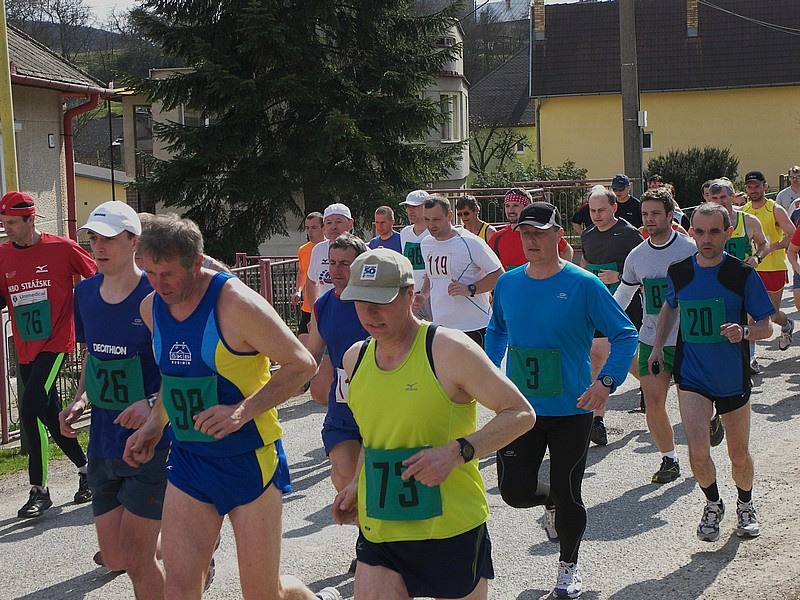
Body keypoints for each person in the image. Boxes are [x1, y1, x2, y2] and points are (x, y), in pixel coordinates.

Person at [123, 215, 339, 600]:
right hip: (190, 460)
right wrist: (155, 424)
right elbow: (176, 374)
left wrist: (242, 410)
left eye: (168, 274)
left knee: (263, 594)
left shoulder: (236, 303)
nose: (158, 284)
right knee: (178, 588)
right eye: (150, 272)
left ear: (196, 263)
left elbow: (302, 364)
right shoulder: (150, 307)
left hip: (249, 459)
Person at [332, 248, 535, 600]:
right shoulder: (355, 358)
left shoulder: (448, 349)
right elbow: (374, 435)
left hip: (449, 529)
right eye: (361, 301)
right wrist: (357, 483)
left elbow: (520, 412)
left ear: (410, 295)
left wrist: (457, 453)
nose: (370, 313)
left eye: (381, 301)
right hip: (381, 530)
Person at [486, 202, 637, 599]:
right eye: (525, 233)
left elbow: (625, 334)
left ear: (558, 235)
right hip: (521, 410)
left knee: (570, 493)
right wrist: (491, 371)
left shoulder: (584, 284)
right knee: (514, 493)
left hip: (573, 408)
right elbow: (497, 331)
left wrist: (606, 382)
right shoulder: (508, 283)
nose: (531, 240)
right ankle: (550, 499)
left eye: (539, 232)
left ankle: (568, 568)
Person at [649, 203, 775, 543]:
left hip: (731, 376)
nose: (706, 239)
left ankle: (745, 504)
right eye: (700, 232)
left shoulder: (742, 274)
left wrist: (744, 332)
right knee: (698, 451)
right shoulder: (679, 272)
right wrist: (658, 346)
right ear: (692, 232)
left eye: (714, 232)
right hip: (692, 376)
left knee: (738, 455)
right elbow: (669, 307)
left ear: (728, 232)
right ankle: (713, 503)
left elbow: (766, 327)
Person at [59, 202, 167, 594]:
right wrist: (81, 398)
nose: (98, 247)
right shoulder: (85, 292)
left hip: (149, 440)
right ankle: (183, 541)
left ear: (134, 241)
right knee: (117, 557)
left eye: (108, 238)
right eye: (93, 239)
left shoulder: (155, 294)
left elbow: (179, 364)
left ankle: (186, 546)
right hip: (103, 440)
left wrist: (152, 403)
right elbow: (95, 354)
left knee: (137, 559)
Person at [614, 188, 722, 485]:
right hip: (652, 340)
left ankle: (711, 420)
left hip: (690, 340)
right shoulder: (637, 256)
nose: (648, 219)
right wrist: (605, 319)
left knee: (693, 404)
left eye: (655, 213)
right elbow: (625, 292)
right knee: (653, 400)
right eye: (645, 214)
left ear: (670, 215)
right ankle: (669, 458)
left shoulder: (689, 249)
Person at [0, 191, 96, 518]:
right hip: (25, 346)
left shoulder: (62, 248)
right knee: (51, 416)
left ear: (31, 219)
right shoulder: (3, 255)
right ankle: (86, 471)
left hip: (56, 343)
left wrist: (93, 319)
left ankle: (39, 491)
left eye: (12, 223)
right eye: (3, 223)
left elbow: (98, 279)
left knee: (29, 410)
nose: (7, 229)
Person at [305, 233, 368, 493]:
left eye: (344, 263)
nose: (336, 269)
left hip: (379, 400)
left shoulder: (376, 303)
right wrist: (296, 379)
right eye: (332, 262)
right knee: (343, 476)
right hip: (342, 405)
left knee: (371, 481)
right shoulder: (323, 305)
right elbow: (313, 353)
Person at [580, 186, 643, 445]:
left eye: (602, 210)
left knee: (622, 354)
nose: (596, 215)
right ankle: (597, 421)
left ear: (614, 208)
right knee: (598, 353)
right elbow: (585, 264)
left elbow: (644, 268)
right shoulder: (588, 235)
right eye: (592, 211)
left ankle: (648, 381)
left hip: (626, 303)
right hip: (597, 303)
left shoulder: (629, 234)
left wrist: (619, 275)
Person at [415, 195, 504, 346]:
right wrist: (423, 295)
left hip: (473, 326)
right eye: (426, 219)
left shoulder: (471, 242)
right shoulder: (426, 244)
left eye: (436, 219)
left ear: (449, 216)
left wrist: (470, 289)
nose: (431, 225)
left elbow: (499, 275)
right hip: (441, 326)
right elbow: (432, 274)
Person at [740, 170, 796, 363]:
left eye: (757, 186)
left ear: (764, 186)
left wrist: (773, 246)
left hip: (774, 267)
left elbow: (793, 235)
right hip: (752, 269)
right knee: (749, 316)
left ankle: (787, 324)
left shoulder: (775, 209)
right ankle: (751, 358)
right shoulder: (744, 211)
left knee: (770, 314)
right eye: (749, 187)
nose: (753, 190)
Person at [305, 203, 355, 406]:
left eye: (339, 222)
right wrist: (314, 314)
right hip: (327, 315)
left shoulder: (362, 250)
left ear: (350, 224)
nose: (334, 227)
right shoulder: (318, 250)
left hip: (353, 316)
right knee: (320, 391)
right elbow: (311, 282)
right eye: (329, 223)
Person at [491, 188, 573, 267]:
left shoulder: (543, 232)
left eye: (516, 205)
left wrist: (561, 273)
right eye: (507, 206)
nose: (510, 210)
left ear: (526, 208)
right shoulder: (497, 237)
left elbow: (567, 250)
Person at [291, 212, 325, 349]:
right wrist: (298, 290)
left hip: (325, 305)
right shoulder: (303, 250)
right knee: (303, 343)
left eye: (314, 227)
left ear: (323, 228)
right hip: (308, 306)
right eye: (307, 228)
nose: (310, 232)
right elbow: (302, 271)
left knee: (322, 347)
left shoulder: (332, 248)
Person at [399, 189, 432, 319]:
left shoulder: (433, 233)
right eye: (408, 207)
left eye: (415, 207)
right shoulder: (405, 233)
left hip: (432, 294)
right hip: (412, 293)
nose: (410, 211)